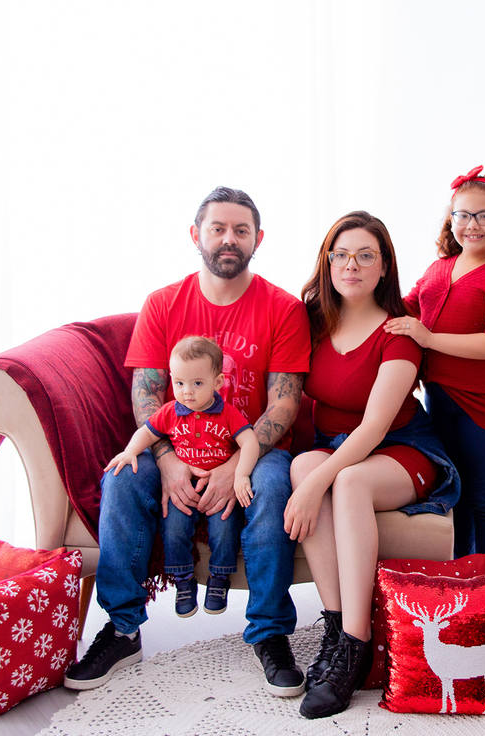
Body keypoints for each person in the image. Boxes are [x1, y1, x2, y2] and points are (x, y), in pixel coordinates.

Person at [65, 187, 312, 698]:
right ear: (196, 235)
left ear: (258, 239)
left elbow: (283, 406)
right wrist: (165, 459)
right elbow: (147, 394)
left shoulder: (284, 308)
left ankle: (269, 632)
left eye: (241, 230)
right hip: (174, 446)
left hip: (255, 451)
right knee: (121, 479)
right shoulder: (163, 304)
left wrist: (236, 466)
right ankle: (123, 628)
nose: (229, 239)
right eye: (218, 228)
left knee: (271, 490)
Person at [290, 211, 458, 719]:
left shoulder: (398, 330)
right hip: (335, 443)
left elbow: (373, 427)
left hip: (401, 446)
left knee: (347, 481)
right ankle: (336, 624)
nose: (352, 265)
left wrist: (316, 483)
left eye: (366, 256)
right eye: (341, 254)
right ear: (328, 261)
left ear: (384, 266)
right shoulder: (314, 319)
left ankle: (355, 644)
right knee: (302, 469)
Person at [384, 166, 485, 575]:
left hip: (482, 406)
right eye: (463, 215)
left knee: (483, 496)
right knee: (455, 491)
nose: (473, 225)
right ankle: (459, 573)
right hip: (439, 398)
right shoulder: (439, 268)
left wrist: (428, 338)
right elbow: (407, 307)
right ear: (451, 220)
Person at [104, 336, 257, 619]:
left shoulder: (228, 414)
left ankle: (220, 577)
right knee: (173, 527)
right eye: (179, 383)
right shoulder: (170, 412)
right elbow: (146, 433)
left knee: (225, 527)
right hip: (183, 486)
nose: (187, 392)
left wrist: (241, 474)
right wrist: (130, 452)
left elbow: (250, 442)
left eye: (197, 383)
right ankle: (183, 579)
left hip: (216, 486)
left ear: (217, 382)